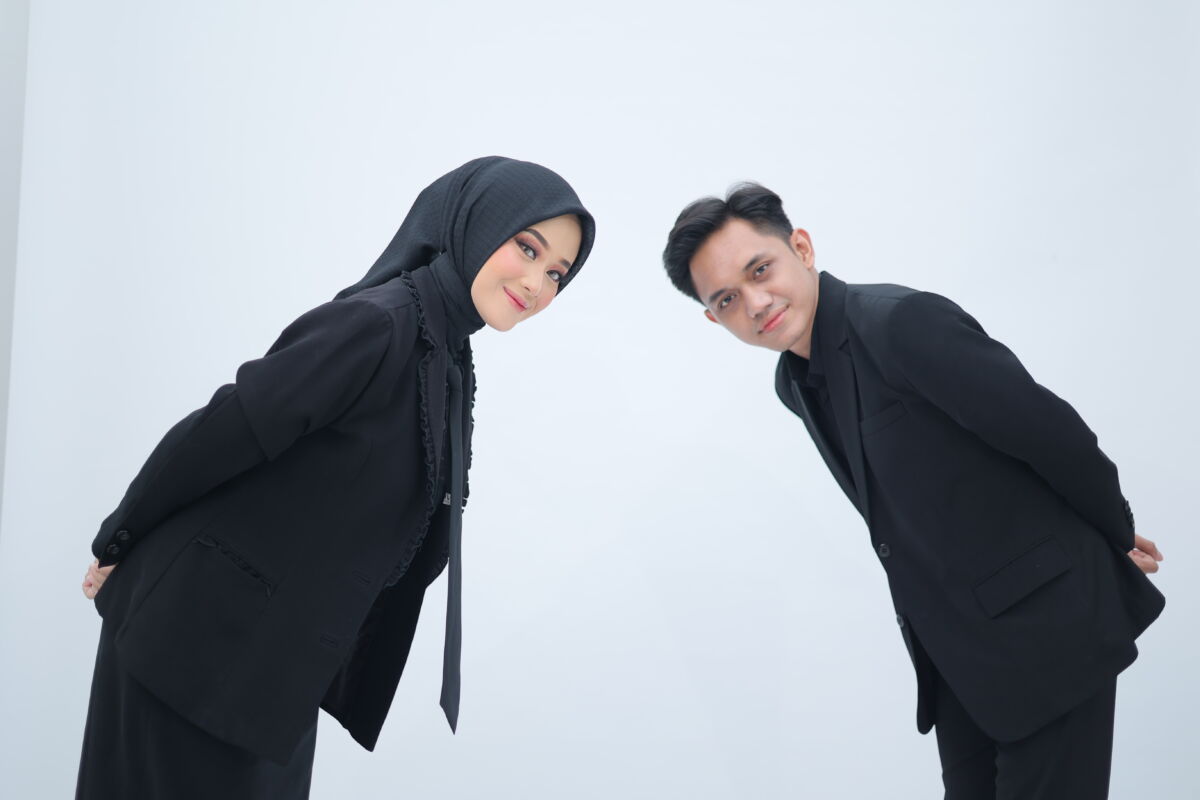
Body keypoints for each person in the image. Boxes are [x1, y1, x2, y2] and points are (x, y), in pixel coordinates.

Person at [76, 155, 596, 799]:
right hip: (187, 651)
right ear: (474, 223)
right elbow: (221, 431)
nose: (538, 283)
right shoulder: (378, 326)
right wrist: (118, 540)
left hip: (269, 684)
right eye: (528, 247)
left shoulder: (447, 360)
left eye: (557, 273)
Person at [660, 182, 1164, 799]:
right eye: (728, 299)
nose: (756, 302)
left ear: (802, 248)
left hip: (1048, 633)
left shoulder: (901, 323)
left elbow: (1050, 433)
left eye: (760, 270)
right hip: (961, 663)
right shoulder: (793, 384)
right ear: (713, 318)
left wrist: (1114, 532)